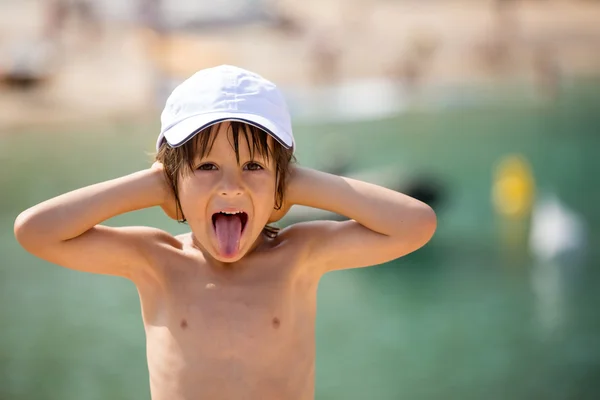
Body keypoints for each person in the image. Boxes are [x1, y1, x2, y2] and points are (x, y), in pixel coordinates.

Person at [14, 65, 436, 400]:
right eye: (206, 167)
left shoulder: (298, 255)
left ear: (282, 182)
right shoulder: (157, 261)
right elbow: (35, 231)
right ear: (172, 179)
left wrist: (291, 182)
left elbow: (416, 225)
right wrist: (157, 184)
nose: (230, 186)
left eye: (253, 166)